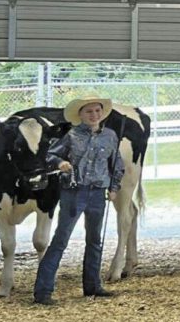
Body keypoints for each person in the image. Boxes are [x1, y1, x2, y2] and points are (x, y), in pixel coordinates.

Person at [33, 95, 124, 305]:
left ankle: (92, 285)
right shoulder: (72, 135)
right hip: (74, 192)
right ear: (80, 115)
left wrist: (114, 188)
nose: (94, 115)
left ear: (102, 113)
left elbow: (116, 165)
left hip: (98, 194)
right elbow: (50, 156)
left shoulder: (110, 136)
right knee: (61, 240)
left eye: (97, 111)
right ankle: (43, 291)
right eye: (89, 112)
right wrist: (61, 162)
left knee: (95, 240)